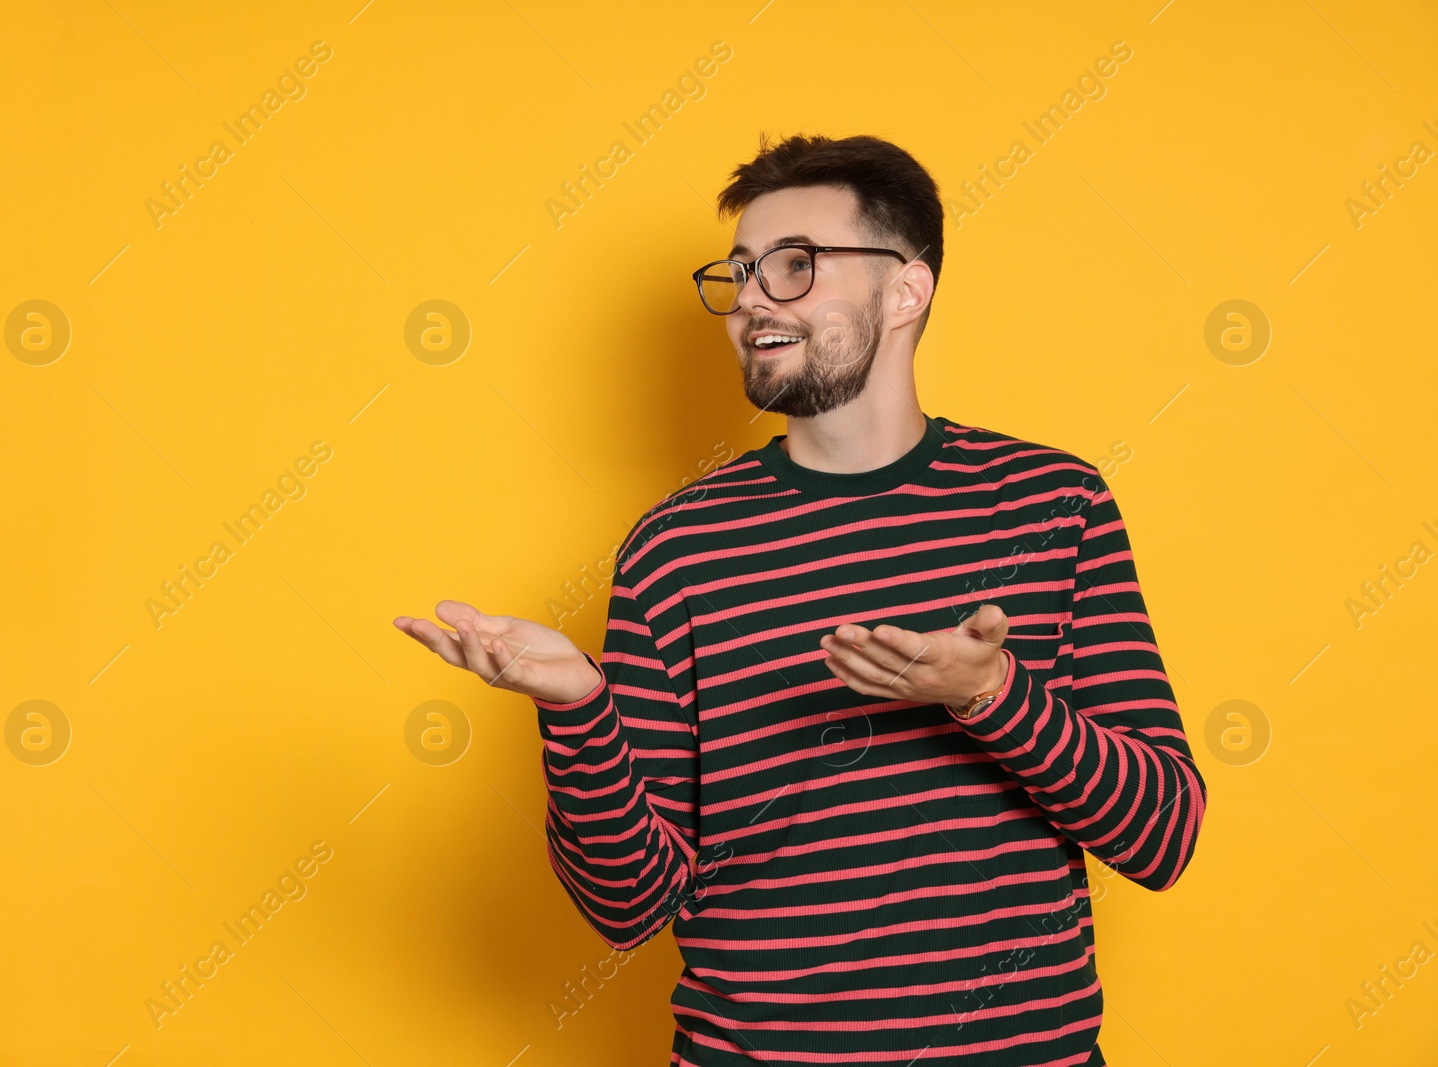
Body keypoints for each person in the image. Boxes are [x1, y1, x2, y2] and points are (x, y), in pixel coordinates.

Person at [394, 132, 1207, 1066]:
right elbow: (629, 907)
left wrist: (991, 696)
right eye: (740, 272)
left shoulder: (1051, 504)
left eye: (793, 267)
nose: (747, 300)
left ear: (907, 289)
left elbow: (1164, 835)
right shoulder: (675, 551)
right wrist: (576, 708)